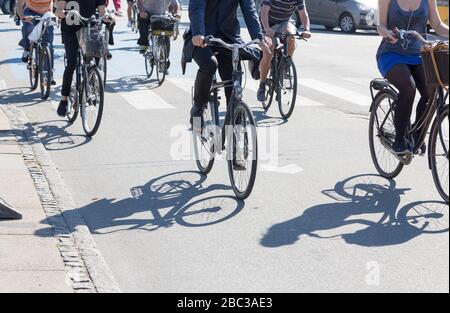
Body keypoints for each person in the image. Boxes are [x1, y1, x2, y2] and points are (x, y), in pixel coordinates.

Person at [377, 0, 449, 154]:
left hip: (419, 55)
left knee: (431, 91)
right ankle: (400, 140)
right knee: (408, 88)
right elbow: (380, 26)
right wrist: (387, 32)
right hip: (391, 54)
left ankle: (417, 134)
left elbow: (437, 24)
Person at [187, 0, 270, 126]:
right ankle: (197, 108)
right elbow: (197, 7)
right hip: (202, 38)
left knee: (233, 77)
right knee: (210, 64)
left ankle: (234, 122)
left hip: (228, 37)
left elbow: (249, 10)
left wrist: (258, 36)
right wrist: (198, 32)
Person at [55, 0, 109, 117]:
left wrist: (107, 16)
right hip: (71, 30)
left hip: (89, 28)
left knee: (94, 59)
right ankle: (64, 98)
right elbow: (58, 10)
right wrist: (64, 14)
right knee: (72, 63)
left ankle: (89, 83)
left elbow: (102, 11)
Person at [257, 0, 311, 102]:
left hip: (284, 22)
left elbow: (303, 12)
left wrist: (307, 29)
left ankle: (285, 64)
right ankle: (262, 84)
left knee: (291, 37)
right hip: (266, 22)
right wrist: (267, 29)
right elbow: (264, 11)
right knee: (268, 52)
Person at [17, 0, 56, 85]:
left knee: (49, 44)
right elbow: (19, 4)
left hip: (46, 12)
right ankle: (27, 48)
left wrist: (54, 14)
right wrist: (23, 18)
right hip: (30, 11)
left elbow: (55, 2)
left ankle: (49, 74)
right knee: (28, 26)